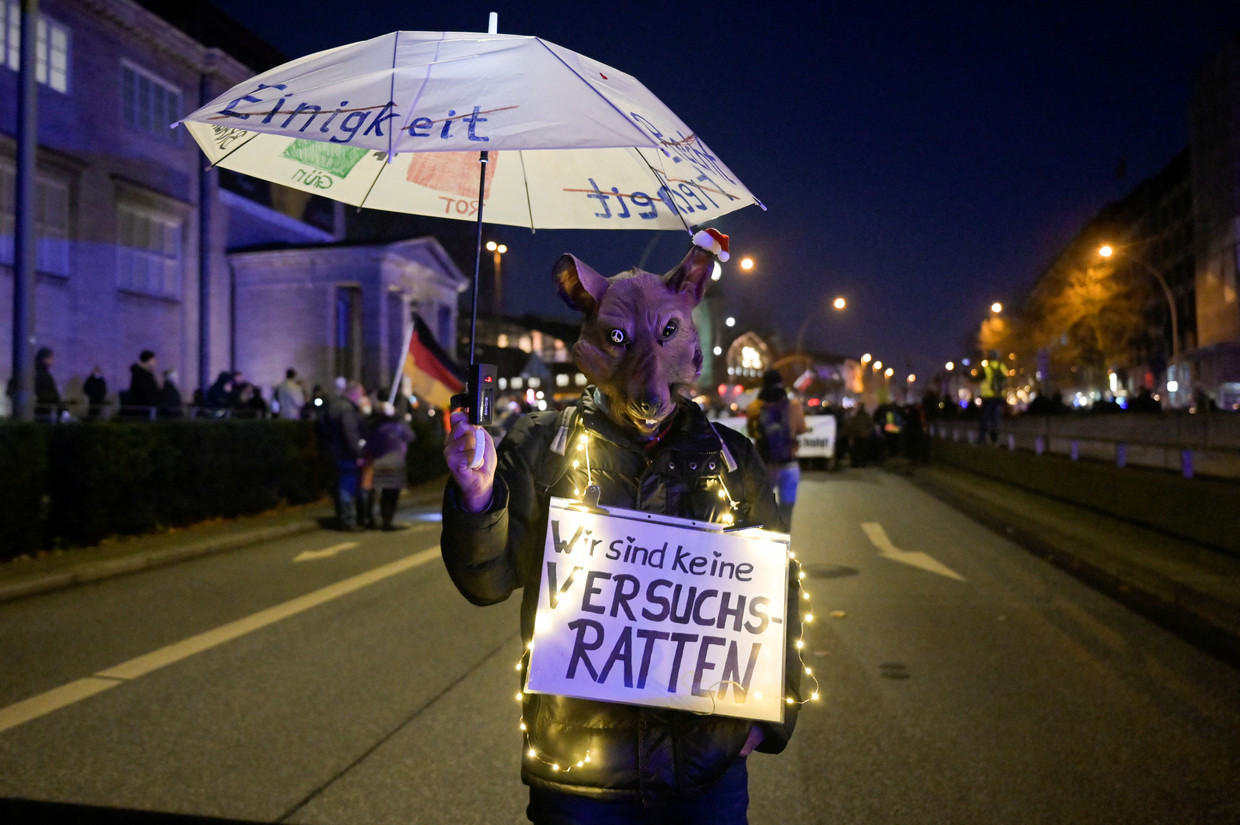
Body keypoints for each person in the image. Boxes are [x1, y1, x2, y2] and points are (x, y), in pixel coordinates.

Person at [440, 233, 802, 824]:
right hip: (582, 780)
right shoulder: (543, 446)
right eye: (618, 337)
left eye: (664, 335)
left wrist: (770, 716)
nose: (646, 368)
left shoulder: (731, 458)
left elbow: (776, 589)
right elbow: (487, 582)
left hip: (705, 771)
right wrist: (479, 497)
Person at [746, 368, 809, 529]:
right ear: (781, 384)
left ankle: (765, 543)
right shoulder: (793, 405)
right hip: (789, 465)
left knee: (763, 508)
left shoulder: (755, 406)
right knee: (786, 510)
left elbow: (752, 432)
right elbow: (802, 428)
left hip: (765, 465)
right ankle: (784, 545)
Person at [321, 381, 368, 531]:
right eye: (361, 394)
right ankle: (348, 521)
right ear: (354, 393)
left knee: (343, 486)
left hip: (336, 452)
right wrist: (358, 453)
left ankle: (344, 519)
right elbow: (351, 434)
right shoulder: (347, 410)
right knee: (347, 488)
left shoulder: (334, 406)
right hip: (347, 455)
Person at [365, 400, 415, 530]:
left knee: (383, 493)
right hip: (396, 464)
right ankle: (388, 520)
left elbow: (370, 446)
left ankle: (380, 519)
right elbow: (410, 436)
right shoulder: (397, 426)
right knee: (393, 493)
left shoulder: (373, 427)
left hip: (380, 464)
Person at [977, 351, 1005, 444]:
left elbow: (977, 379)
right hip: (998, 395)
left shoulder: (986, 368)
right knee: (996, 416)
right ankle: (994, 435)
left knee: (985, 417)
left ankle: (982, 437)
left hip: (987, 397)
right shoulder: (1002, 367)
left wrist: (967, 376)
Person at [126, 350, 161, 419]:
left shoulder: (145, 373)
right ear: (148, 360)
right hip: (142, 409)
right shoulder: (141, 374)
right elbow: (147, 391)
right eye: (153, 359)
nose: (156, 362)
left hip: (146, 408)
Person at [33, 347, 62, 422]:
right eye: (51, 358)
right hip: (41, 408)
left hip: (43, 408)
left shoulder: (40, 372)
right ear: (44, 359)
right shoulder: (41, 374)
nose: (53, 361)